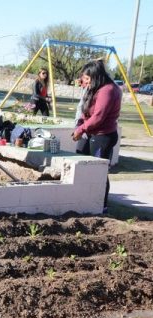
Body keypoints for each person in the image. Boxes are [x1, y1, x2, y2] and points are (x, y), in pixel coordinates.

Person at [72, 60, 121, 212]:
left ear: (96, 76)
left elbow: (98, 116)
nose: (84, 81)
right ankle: (82, 200)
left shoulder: (108, 90)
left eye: (87, 78)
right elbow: (86, 110)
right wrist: (80, 123)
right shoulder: (96, 87)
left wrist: (81, 129)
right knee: (81, 164)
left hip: (102, 136)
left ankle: (101, 205)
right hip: (90, 133)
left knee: (99, 171)